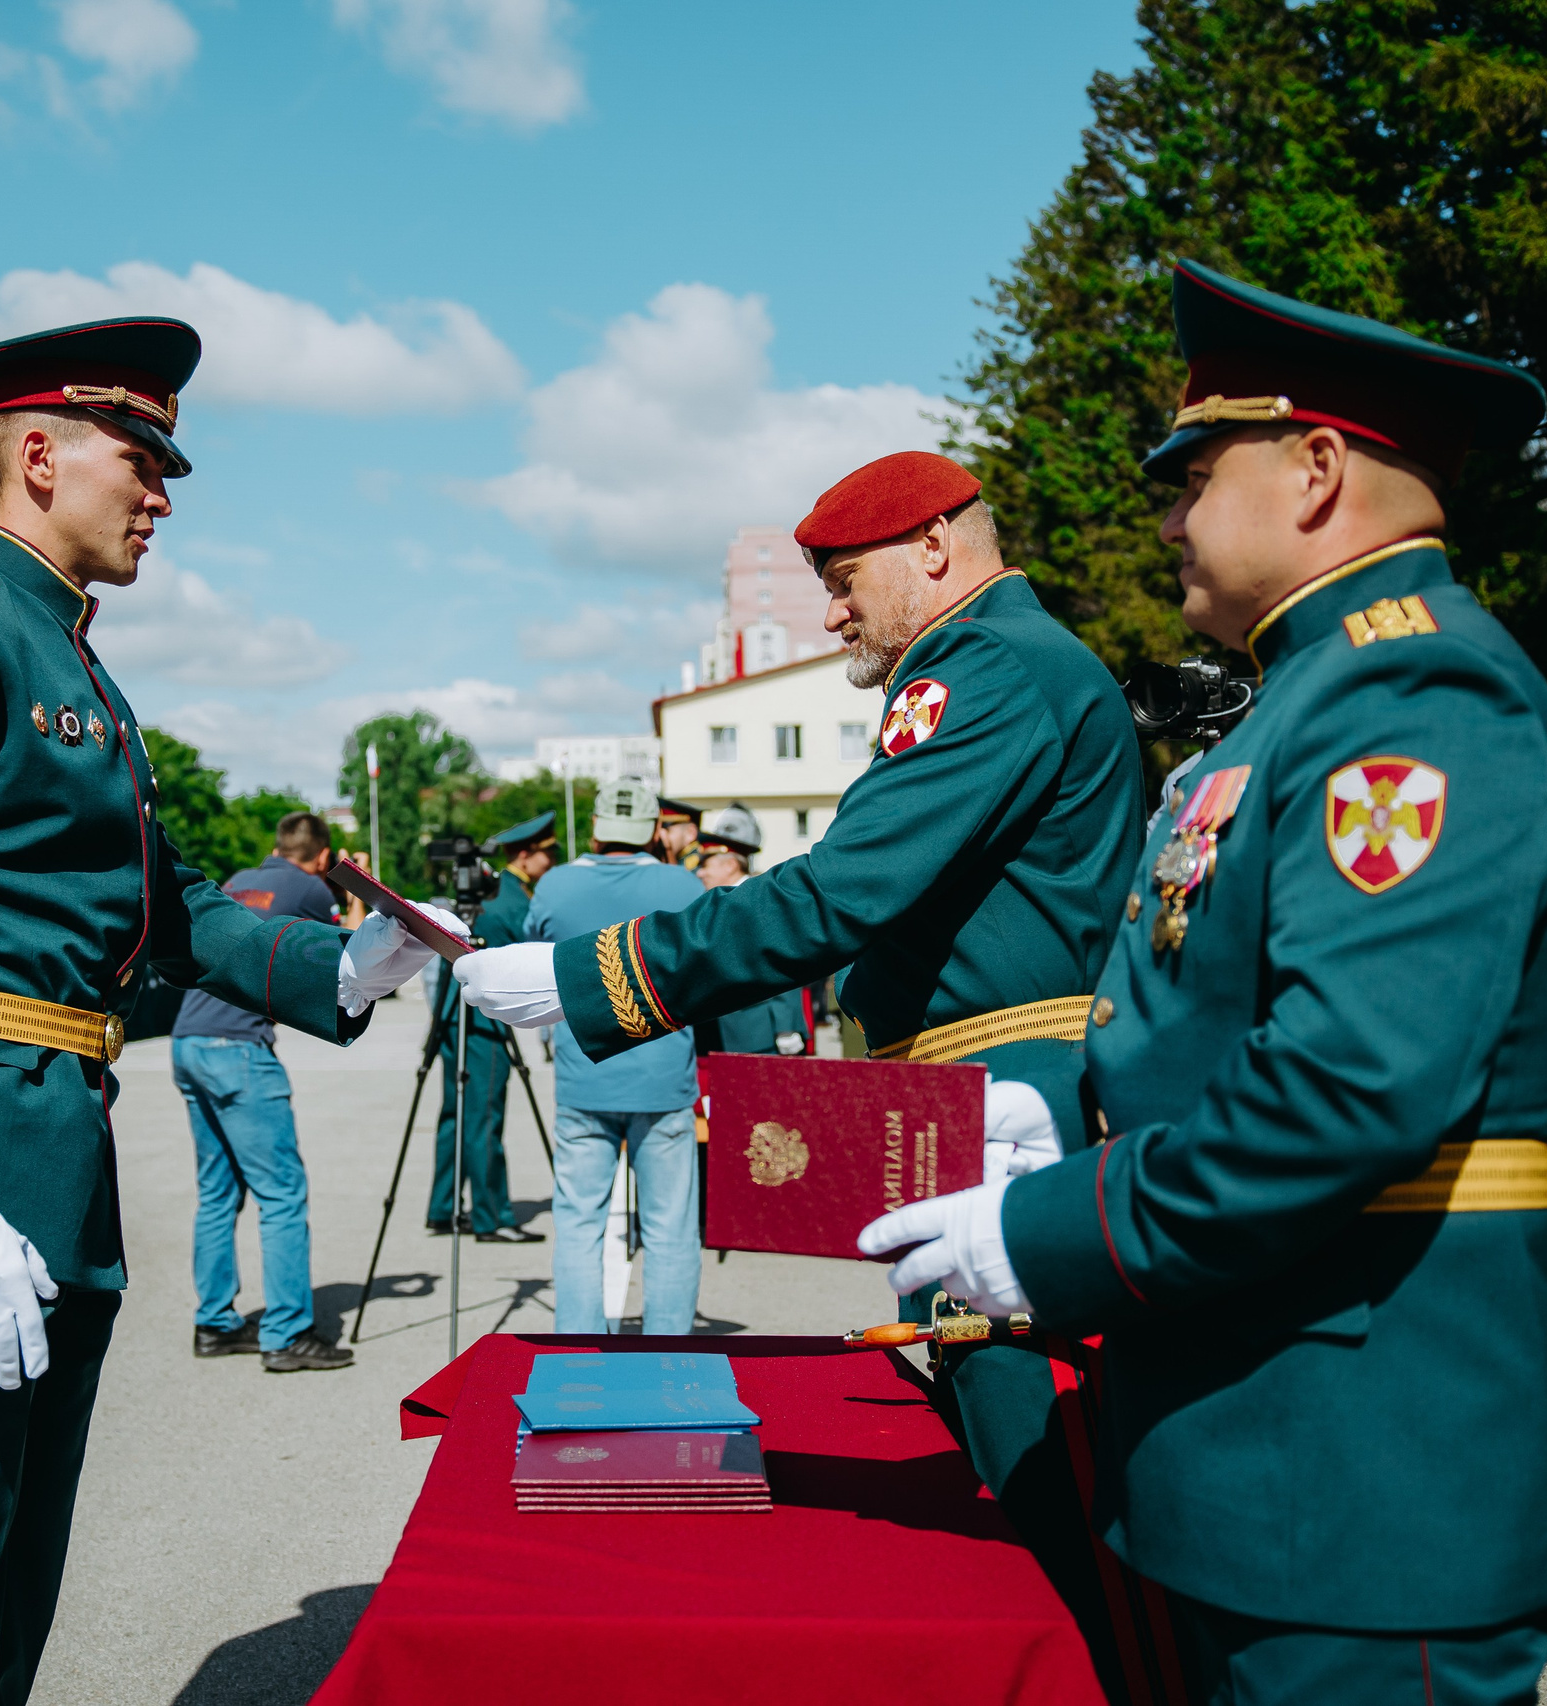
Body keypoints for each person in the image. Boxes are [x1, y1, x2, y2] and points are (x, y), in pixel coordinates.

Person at [844, 261, 1547, 1703]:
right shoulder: (1312, 696)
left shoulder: (1423, 694)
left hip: (1373, 1461)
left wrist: (1048, 1228)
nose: (1168, 511)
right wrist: (1051, 1117)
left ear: (1318, 469)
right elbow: (1205, 1030)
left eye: (1195, 472)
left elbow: (1343, 1087)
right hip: (1270, 1436)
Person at [0, 313, 451, 1704]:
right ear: (35, 454)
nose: (162, 492)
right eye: (141, 455)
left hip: (43, 1157)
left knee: (9, 1572)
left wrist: (347, 967)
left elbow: (163, 908)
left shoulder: (69, 661)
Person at [457, 449, 1145, 1679]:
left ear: (934, 546)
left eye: (842, 577)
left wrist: (588, 977)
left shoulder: (984, 664)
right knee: (992, 1429)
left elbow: (843, 891)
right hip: (964, 1092)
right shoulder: (997, 661)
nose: (829, 609)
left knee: (1038, 1463)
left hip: (1000, 1101)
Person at [511, 778, 709, 1333]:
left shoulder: (555, 884)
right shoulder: (681, 881)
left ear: (596, 828)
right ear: (653, 830)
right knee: (670, 1226)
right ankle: (668, 1348)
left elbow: (535, 954)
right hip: (664, 1076)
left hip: (585, 1075)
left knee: (578, 1222)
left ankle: (577, 1342)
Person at [167, 810, 358, 1369]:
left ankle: (215, 1323)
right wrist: (352, 889)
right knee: (281, 1193)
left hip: (190, 1039)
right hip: (238, 1050)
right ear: (322, 857)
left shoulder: (238, 881)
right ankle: (287, 1333)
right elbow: (348, 959)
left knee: (218, 1190)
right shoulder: (307, 886)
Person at [424, 809, 557, 1243]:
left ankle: (443, 1208)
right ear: (526, 854)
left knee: (454, 1113)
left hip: (451, 1014)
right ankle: (491, 1215)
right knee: (483, 1117)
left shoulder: (490, 893)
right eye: (548, 853)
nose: (552, 861)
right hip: (483, 1022)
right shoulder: (515, 900)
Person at [685, 805, 808, 1058]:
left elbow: (784, 961)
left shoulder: (760, 900)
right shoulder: (716, 902)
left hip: (760, 1035)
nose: (700, 872)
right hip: (723, 1033)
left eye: (706, 864)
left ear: (730, 865)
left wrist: (786, 1027)